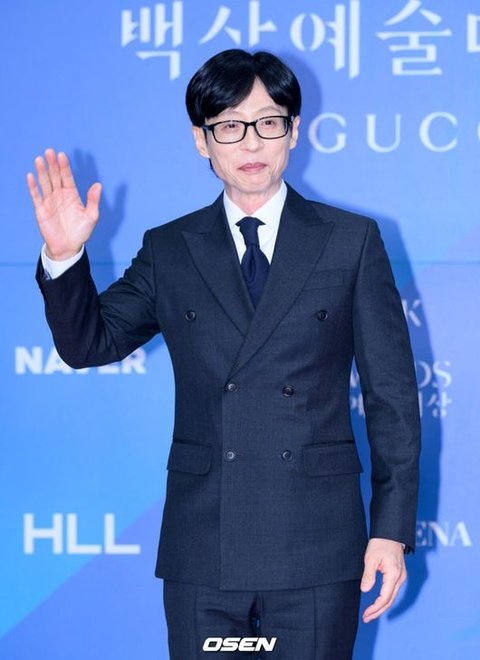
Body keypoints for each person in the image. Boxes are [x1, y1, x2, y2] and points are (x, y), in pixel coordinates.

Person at [27, 49, 420, 659]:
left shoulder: (350, 241)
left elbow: (391, 397)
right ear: (201, 140)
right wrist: (64, 257)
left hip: (316, 542)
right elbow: (87, 344)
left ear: (293, 130)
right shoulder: (171, 248)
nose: (251, 142)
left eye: (268, 122)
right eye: (230, 125)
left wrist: (390, 531)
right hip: (204, 544)